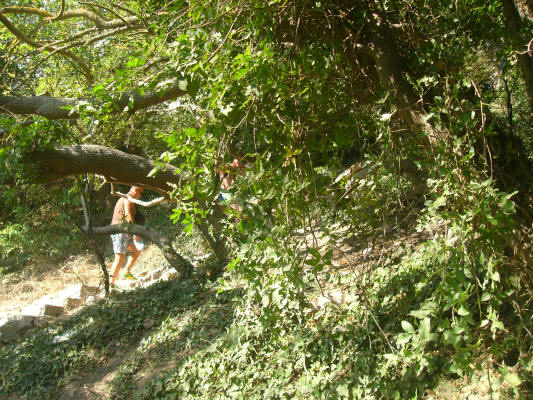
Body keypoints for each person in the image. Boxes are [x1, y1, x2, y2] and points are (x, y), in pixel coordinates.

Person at [109, 186, 144, 286]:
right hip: (120, 230)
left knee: (136, 250)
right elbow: (129, 217)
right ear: (136, 190)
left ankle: (126, 271)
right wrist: (135, 234)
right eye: (140, 193)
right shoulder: (127, 199)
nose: (140, 196)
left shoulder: (131, 200)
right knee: (119, 257)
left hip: (126, 231)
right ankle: (111, 284)